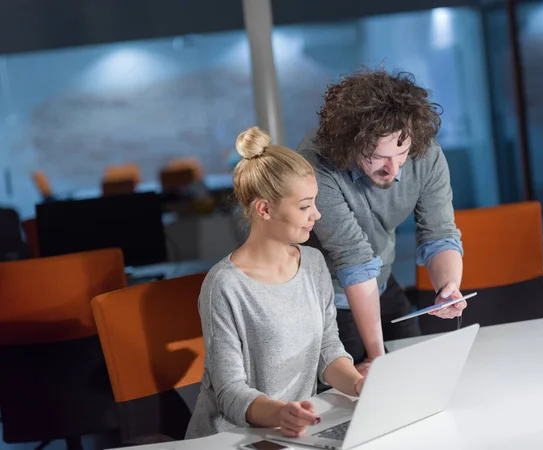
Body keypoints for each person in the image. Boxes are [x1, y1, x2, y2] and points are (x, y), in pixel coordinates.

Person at [185, 126, 365, 439]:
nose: (317, 215)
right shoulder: (224, 285)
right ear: (265, 209)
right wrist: (280, 413)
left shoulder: (313, 263)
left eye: (315, 203)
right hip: (233, 438)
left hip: (293, 432)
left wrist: (358, 383)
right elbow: (229, 393)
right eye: (305, 206)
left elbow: (328, 348)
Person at [297, 69, 466, 375]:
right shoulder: (316, 163)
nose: (393, 169)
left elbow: (438, 235)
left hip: (381, 281)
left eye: (401, 154)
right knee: (358, 392)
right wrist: (377, 355)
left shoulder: (425, 155)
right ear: (350, 144)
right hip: (326, 298)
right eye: (378, 156)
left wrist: (448, 287)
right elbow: (354, 260)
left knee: (414, 373)